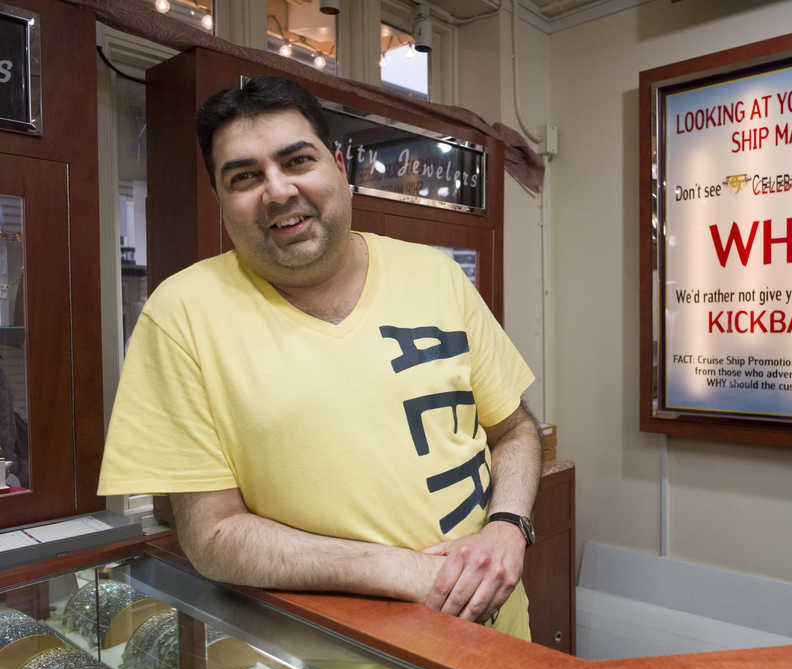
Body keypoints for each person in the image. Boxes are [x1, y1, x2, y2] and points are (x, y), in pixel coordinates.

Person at [97, 76, 542, 639]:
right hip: (340, 649)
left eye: (297, 161)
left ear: (338, 167)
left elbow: (514, 430)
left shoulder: (436, 275)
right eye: (244, 177)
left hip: (501, 636)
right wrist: (405, 573)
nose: (278, 190)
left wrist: (507, 527)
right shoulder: (182, 314)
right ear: (220, 201)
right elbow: (212, 536)